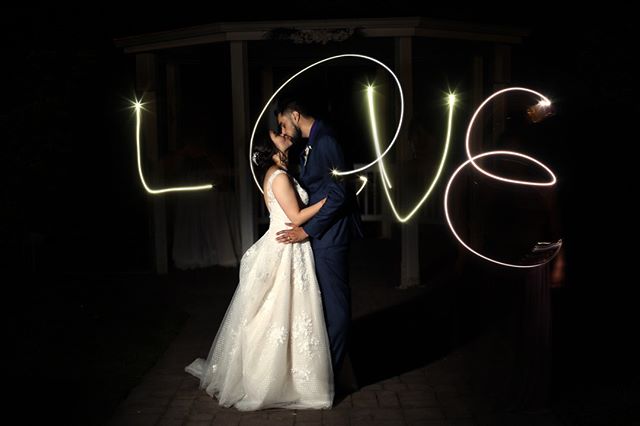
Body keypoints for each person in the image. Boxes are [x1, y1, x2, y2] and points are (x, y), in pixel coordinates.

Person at [184, 133, 333, 410]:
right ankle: (271, 379)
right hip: (286, 246)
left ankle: (285, 375)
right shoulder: (279, 177)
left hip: (285, 243)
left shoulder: (276, 174)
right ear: (271, 148)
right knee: (277, 311)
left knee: (283, 312)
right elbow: (297, 217)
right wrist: (327, 201)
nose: (283, 134)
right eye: (277, 135)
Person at [273, 99, 363, 395]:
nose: (283, 130)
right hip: (322, 236)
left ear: (296, 115)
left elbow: (339, 194)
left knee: (336, 309)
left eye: (284, 124)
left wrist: (307, 230)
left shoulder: (326, 139)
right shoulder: (312, 142)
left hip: (331, 236)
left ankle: (330, 381)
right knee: (322, 305)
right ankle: (330, 374)